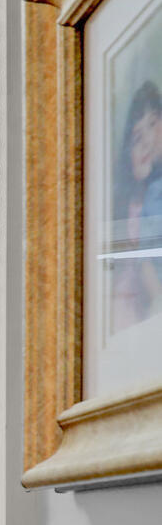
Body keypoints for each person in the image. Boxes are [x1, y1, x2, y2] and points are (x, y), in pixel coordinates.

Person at [112, 78, 162, 334]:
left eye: (153, 125)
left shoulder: (156, 194)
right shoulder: (126, 209)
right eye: (136, 137)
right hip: (130, 314)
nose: (146, 143)